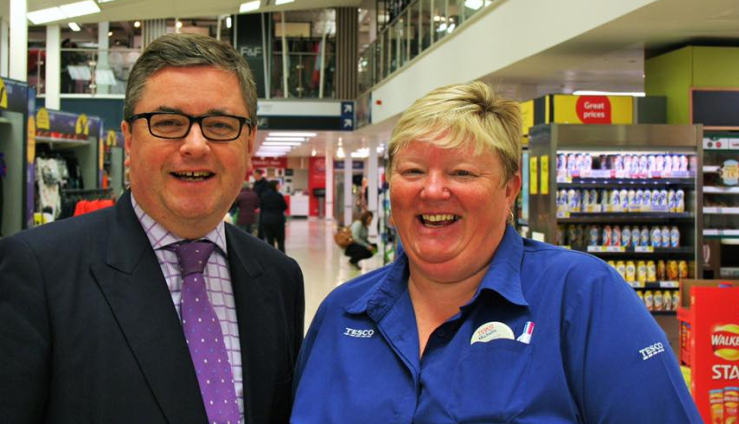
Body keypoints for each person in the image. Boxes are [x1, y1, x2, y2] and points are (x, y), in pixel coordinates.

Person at [0, 33, 305, 424]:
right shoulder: (37, 273)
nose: (196, 145)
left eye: (220, 124)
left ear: (248, 142)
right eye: (168, 122)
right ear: (129, 139)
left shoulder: (279, 279)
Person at [291, 82, 702, 424]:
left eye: (462, 172)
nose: (432, 190)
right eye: (413, 171)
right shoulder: (342, 312)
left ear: (509, 189)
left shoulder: (582, 296)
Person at [259, 180, 287, 253]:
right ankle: (282, 257)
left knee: (270, 240)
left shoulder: (263, 195)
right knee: (280, 240)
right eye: (278, 185)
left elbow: (261, 207)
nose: (279, 187)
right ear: (274, 186)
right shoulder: (279, 196)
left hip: (266, 220)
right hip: (278, 221)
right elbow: (284, 207)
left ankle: (272, 257)